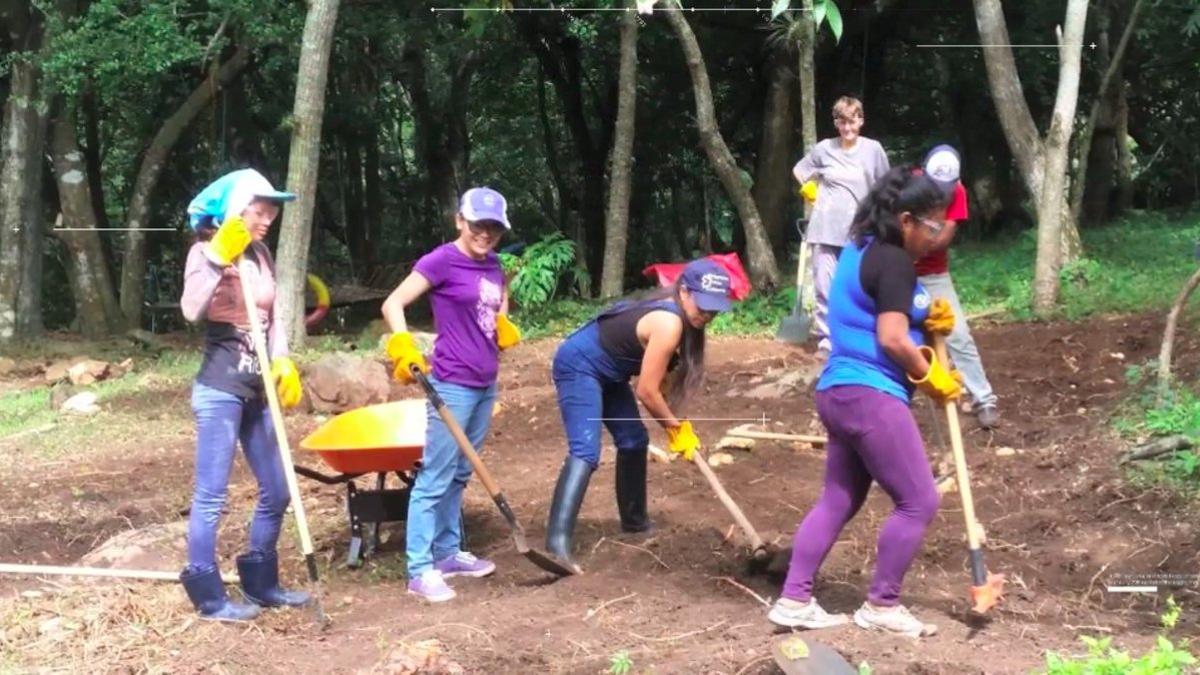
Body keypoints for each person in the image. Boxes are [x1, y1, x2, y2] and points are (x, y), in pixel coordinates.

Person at [768, 166, 963, 638]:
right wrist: (931, 375)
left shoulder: (860, 249)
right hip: (871, 394)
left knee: (838, 497)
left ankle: (794, 599)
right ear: (907, 219)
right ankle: (882, 605)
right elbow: (892, 338)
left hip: (838, 390)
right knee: (919, 500)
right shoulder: (895, 261)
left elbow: (888, 316)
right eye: (933, 226)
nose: (938, 237)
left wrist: (928, 320)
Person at [544, 259, 735, 572]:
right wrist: (674, 429)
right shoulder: (669, 322)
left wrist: (676, 425)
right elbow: (646, 391)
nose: (707, 315)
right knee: (585, 450)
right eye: (703, 306)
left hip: (610, 373)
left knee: (634, 440)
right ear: (684, 292)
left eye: (714, 309)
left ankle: (635, 524)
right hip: (579, 365)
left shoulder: (686, 324)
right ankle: (556, 546)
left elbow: (661, 381)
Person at [178, 168, 309, 621]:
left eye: (272, 209)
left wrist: (282, 359)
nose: (268, 217)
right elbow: (191, 309)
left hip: (258, 390)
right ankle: (207, 593)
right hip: (219, 389)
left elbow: (273, 318)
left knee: (277, 486)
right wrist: (217, 257)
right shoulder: (204, 252)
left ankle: (261, 582)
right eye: (259, 208)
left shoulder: (260, 254)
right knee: (212, 495)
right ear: (235, 211)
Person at [381, 187, 522, 603]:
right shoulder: (441, 260)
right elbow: (393, 304)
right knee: (435, 477)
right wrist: (404, 346)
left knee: (461, 472)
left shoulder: (495, 265)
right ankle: (419, 570)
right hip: (452, 381)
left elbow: (498, 306)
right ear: (460, 220)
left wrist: (503, 325)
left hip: (484, 382)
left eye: (494, 228)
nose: (486, 234)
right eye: (479, 225)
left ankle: (446, 553)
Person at [792, 96, 891, 357]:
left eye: (852, 121)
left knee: (860, 284)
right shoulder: (825, 149)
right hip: (824, 228)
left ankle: (862, 334)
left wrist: (882, 219)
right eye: (842, 122)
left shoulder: (873, 150)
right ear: (836, 123)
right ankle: (828, 340)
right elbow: (800, 170)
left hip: (861, 231)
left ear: (861, 120)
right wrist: (809, 189)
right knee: (825, 286)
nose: (847, 128)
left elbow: (886, 185)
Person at [915, 145, 999, 429]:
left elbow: (943, 238)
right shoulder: (908, 185)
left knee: (959, 335)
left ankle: (984, 398)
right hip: (898, 270)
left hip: (934, 274)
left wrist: (919, 241)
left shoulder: (958, 191)